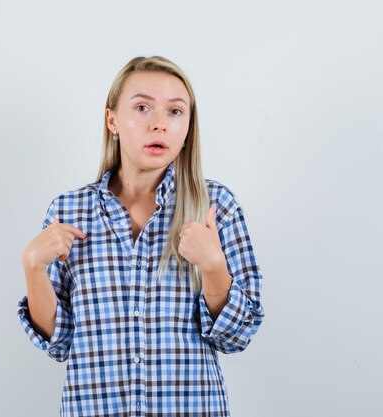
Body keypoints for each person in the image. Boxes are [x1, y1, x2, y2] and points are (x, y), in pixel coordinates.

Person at [17, 55, 265, 417]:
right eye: (143, 107)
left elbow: (236, 336)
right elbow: (59, 343)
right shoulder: (68, 211)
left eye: (175, 112)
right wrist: (33, 268)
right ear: (112, 120)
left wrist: (213, 267)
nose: (160, 124)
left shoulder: (217, 206)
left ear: (188, 126)